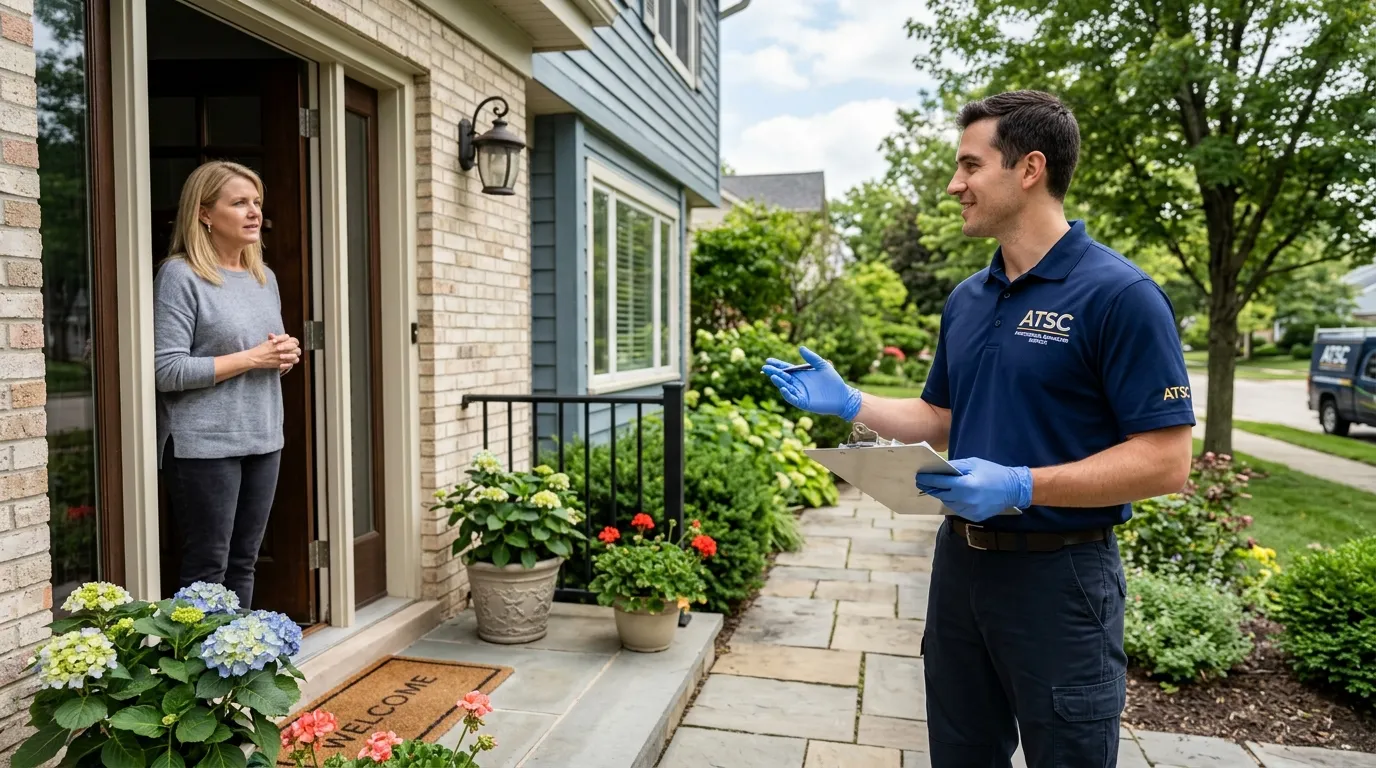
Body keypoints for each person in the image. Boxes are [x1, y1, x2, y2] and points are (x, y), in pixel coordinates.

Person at [762, 90, 1195, 767]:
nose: (953, 185)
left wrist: (1024, 484)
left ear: (1029, 168)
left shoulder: (1120, 295)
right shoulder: (968, 299)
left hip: (1062, 579)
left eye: (969, 166)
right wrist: (852, 403)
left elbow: (1166, 461)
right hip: (960, 570)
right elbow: (940, 416)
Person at [154, 160, 301, 610]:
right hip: (203, 446)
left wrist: (281, 358)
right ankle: (195, 676)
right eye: (239, 203)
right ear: (204, 213)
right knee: (208, 568)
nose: (254, 212)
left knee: (244, 563)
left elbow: (254, 357)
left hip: (262, 436)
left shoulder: (263, 278)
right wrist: (253, 357)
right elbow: (167, 371)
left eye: (256, 202)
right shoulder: (181, 276)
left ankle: (238, 669)